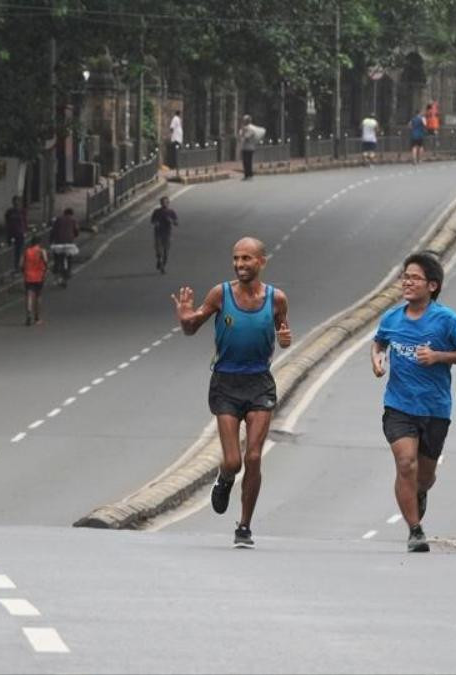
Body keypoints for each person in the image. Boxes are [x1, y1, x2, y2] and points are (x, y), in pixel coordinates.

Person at [172, 237, 292, 548]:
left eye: (247, 259)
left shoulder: (276, 299)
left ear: (261, 262)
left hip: (259, 383)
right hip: (226, 383)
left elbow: (283, 333)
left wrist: (286, 339)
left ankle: (244, 526)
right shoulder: (220, 294)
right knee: (233, 461)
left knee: (254, 456)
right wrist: (185, 315)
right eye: (236, 259)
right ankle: (224, 479)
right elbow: (191, 327)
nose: (240, 265)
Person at [371, 251, 456, 553]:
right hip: (398, 405)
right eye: (405, 277)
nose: (407, 282)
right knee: (406, 463)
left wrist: (438, 357)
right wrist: (378, 360)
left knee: (424, 476)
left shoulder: (447, 320)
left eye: (414, 278)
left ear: (432, 285)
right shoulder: (391, 318)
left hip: (435, 408)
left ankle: (419, 493)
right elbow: (379, 341)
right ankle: (415, 530)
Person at [22, 233, 49, 325]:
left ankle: (28, 315)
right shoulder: (42, 251)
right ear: (39, 242)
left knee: (29, 295)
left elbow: (21, 264)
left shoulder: (27, 251)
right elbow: (46, 262)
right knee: (38, 296)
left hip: (28, 276)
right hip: (39, 276)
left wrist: (24, 271)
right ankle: (37, 317)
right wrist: (45, 270)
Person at [49, 207, 80, 288]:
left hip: (58, 243)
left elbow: (53, 231)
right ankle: (68, 270)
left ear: (64, 213)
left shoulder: (58, 219)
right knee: (69, 257)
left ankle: (56, 272)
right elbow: (76, 231)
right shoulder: (73, 220)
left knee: (57, 258)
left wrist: (51, 241)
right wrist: (74, 235)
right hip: (69, 244)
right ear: (71, 214)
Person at [151, 196, 179, 273]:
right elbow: (153, 221)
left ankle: (162, 263)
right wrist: (156, 223)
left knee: (166, 252)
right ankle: (160, 262)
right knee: (158, 249)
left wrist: (171, 221)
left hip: (167, 233)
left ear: (168, 203)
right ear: (160, 203)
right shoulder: (156, 211)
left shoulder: (171, 212)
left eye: (166, 202)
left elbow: (176, 223)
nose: (164, 204)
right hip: (158, 233)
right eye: (163, 202)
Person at [5, 196, 28, 272]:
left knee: (19, 250)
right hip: (12, 233)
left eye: (18, 201)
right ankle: (14, 266)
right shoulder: (9, 212)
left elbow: (24, 222)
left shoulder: (22, 211)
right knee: (13, 251)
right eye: (15, 202)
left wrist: (25, 231)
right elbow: (7, 223)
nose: (16, 203)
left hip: (20, 234)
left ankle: (18, 266)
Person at [238, 115, 263, 180]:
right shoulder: (244, 128)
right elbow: (241, 135)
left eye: (245, 120)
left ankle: (249, 175)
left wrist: (244, 133)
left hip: (249, 147)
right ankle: (246, 175)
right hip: (244, 147)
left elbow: (247, 136)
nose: (244, 121)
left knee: (248, 161)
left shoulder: (251, 128)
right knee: (245, 162)